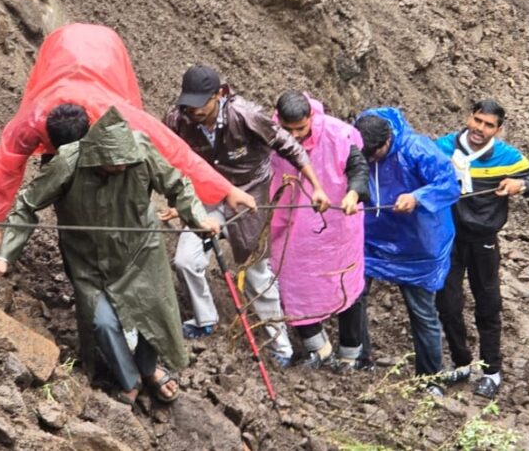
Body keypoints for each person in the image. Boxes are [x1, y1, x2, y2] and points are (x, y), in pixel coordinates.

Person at [0, 106, 220, 405]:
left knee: (154, 310)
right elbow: (27, 204)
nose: (121, 167)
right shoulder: (69, 161)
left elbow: (177, 185)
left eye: (125, 163)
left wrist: (198, 218)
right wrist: (6, 255)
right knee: (103, 323)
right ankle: (129, 377)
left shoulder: (141, 148)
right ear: (96, 155)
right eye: (112, 164)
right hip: (89, 260)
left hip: (140, 251)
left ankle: (148, 369)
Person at [0, 24, 253, 258]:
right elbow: (6, 165)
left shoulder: (116, 115)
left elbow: (173, 150)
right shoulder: (29, 122)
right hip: (60, 50)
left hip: (105, 57)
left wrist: (224, 189)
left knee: (129, 154)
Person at [163, 65, 330, 366]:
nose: (194, 110)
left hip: (249, 196)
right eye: (189, 102)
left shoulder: (246, 115)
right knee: (185, 261)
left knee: (255, 272)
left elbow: (290, 147)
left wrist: (316, 186)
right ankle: (205, 319)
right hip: (207, 194)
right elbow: (168, 156)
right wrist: (179, 199)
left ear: (219, 94)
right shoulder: (178, 119)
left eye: (201, 102)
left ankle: (281, 346)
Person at [434, 99, 529, 399]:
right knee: (447, 302)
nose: (480, 129)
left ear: (498, 129)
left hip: (484, 241)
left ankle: (491, 371)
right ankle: (461, 362)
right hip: (448, 238)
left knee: (488, 304)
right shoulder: (442, 147)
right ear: (468, 117)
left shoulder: (507, 157)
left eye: (488, 125)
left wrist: (519, 185)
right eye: (477, 121)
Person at [354, 108, 460, 394]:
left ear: (387, 141)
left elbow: (449, 185)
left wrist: (417, 196)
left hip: (418, 242)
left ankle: (428, 378)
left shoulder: (418, 149)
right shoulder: (357, 147)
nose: (370, 160)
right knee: (354, 295)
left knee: (422, 311)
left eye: (374, 155)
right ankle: (358, 357)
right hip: (373, 238)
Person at [271, 90, 369, 371]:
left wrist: (352, 193)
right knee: (291, 285)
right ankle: (319, 348)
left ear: (311, 117)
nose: (295, 136)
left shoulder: (339, 134)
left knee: (344, 285)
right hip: (291, 227)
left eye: (300, 129)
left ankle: (350, 355)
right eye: (288, 130)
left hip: (337, 228)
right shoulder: (270, 134)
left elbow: (358, 168)